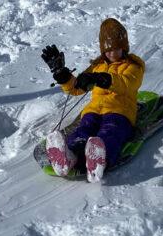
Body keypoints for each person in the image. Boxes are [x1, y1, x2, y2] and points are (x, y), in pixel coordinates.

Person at [41, 19, 145, 183]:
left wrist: (104, 79)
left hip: (120, 112)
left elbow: (127, 83)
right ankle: (69, 156)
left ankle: (99, 161)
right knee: (84, 129)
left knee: (110, 132)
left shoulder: (133, 65)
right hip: (94, 110)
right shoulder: (97, 66)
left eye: (117, 48)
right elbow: (76, 89)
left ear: (124, 47)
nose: (112, 53)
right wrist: (62, 75)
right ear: (103, 49)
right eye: (108, 49)